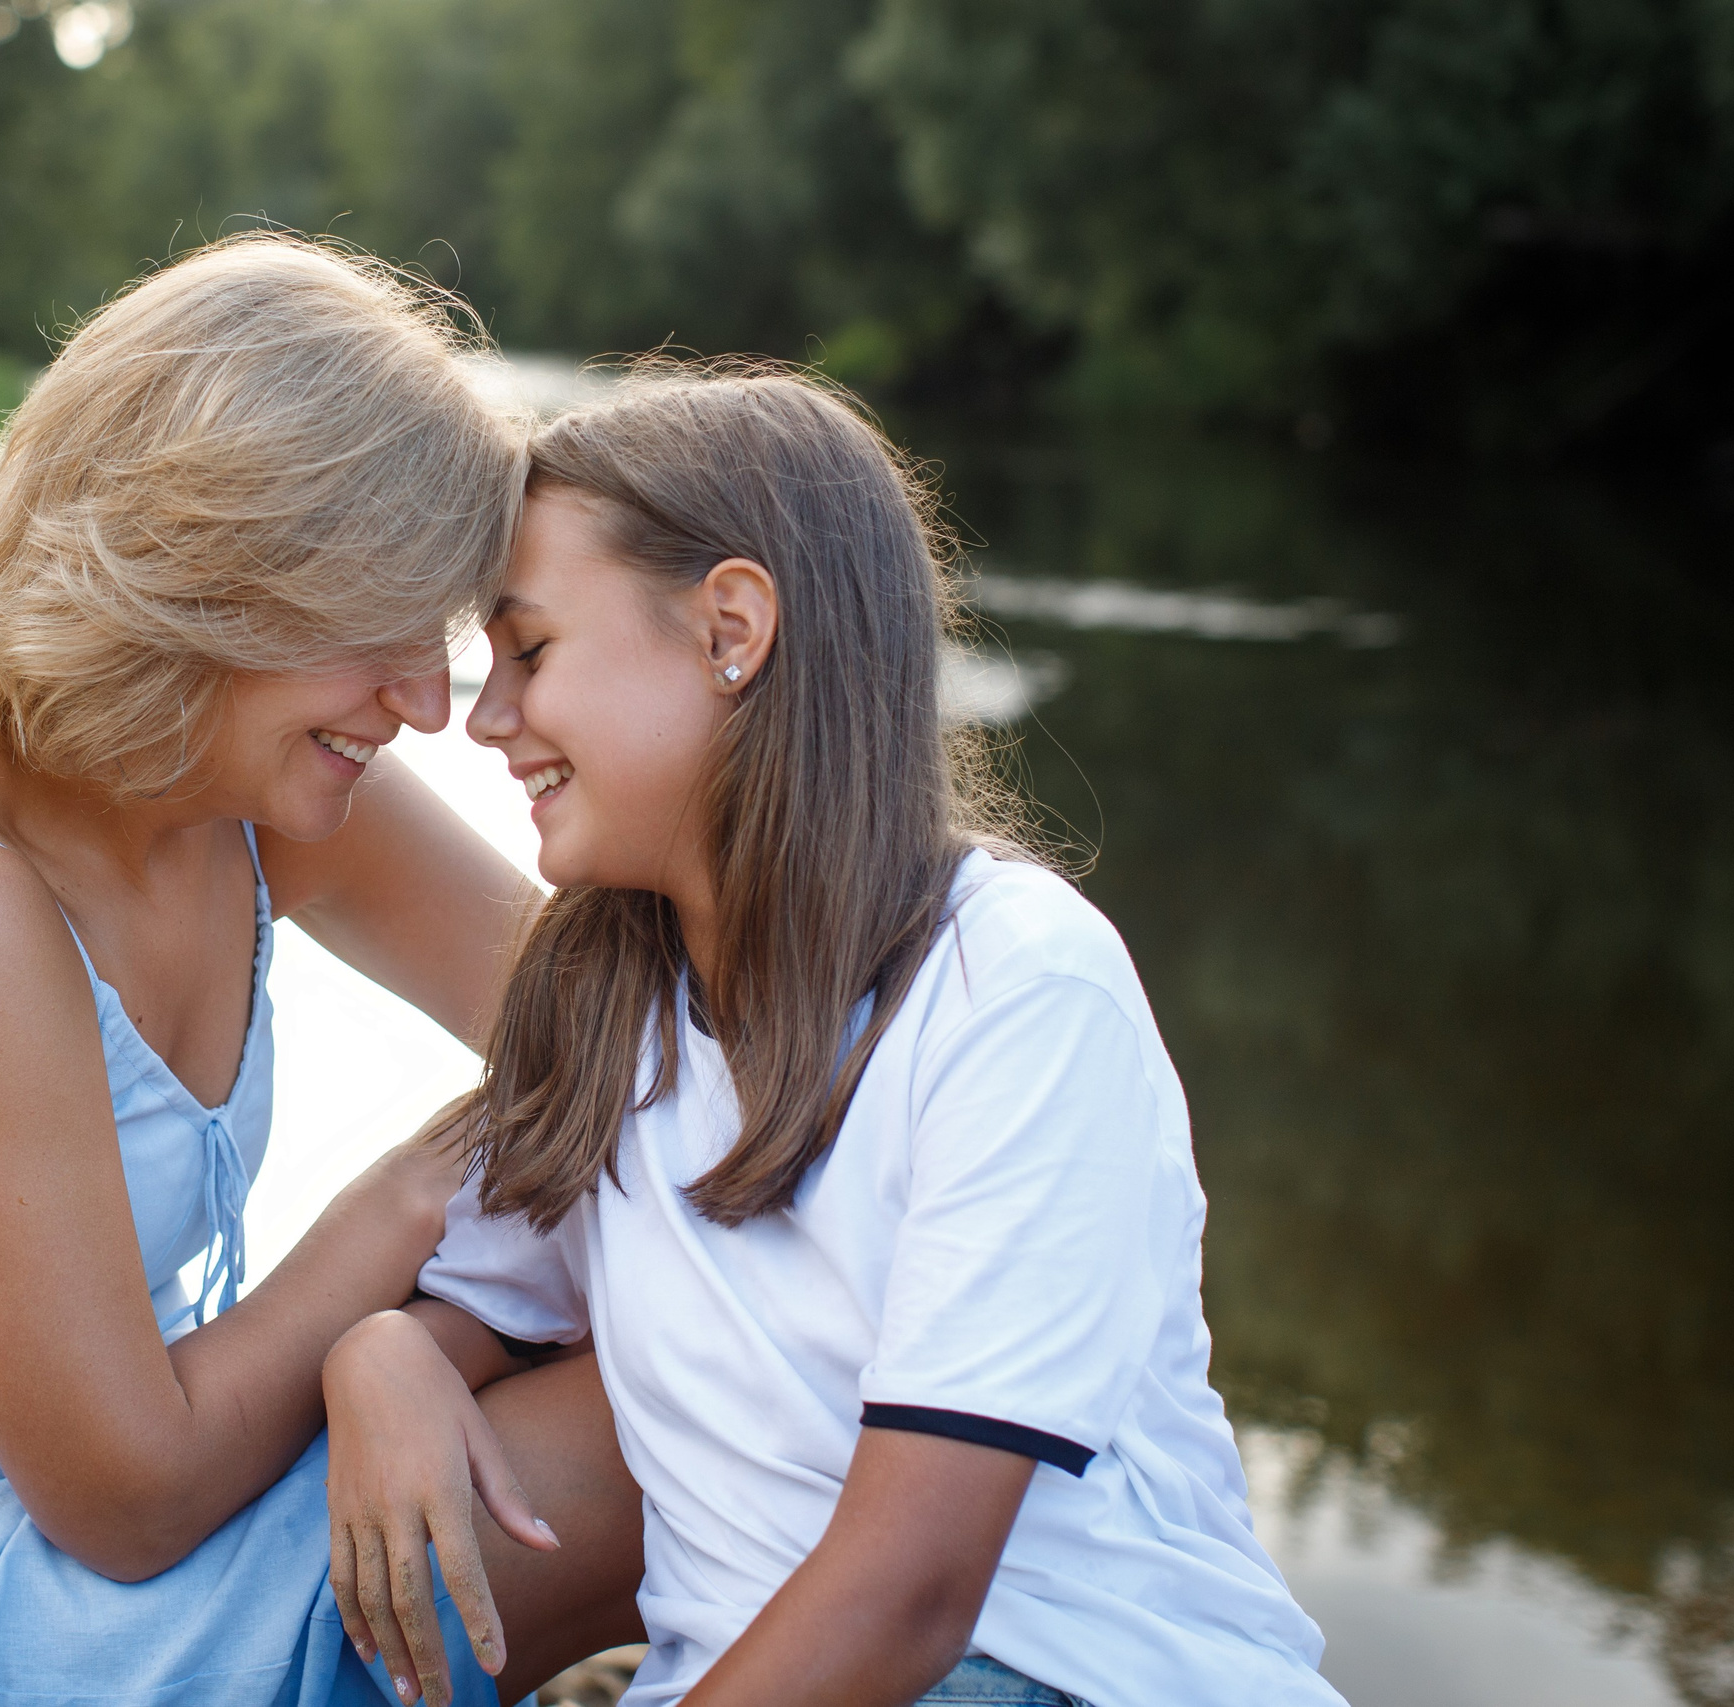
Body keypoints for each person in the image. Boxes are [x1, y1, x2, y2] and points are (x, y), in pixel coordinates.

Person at [0, 236, 643, 1707]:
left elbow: (623, 1038)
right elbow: (131, 1497)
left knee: (700, 1320)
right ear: (206, 583)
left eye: (448, 629)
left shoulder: (233, 774)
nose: (425, 701)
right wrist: (410, 1202)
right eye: (379, 626)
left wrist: (414, 1343)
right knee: (660, 1431)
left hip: (47, 1540)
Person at [318, 369, 1347, 1707]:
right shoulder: (614, 1000)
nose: (487, 716)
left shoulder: (1018, 991)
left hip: (1052, 1675)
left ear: (731, 630)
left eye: (530, 651)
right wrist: (379, 1355)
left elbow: (911, 1592)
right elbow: (495, 1301)